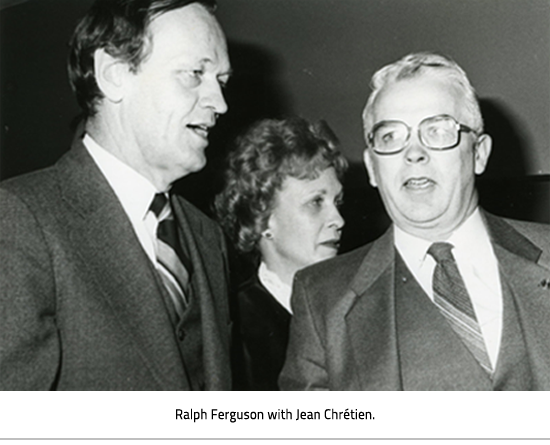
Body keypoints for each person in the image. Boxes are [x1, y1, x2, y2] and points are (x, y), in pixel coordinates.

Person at [280, 52, 550, 391]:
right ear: (373, 167)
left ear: (479, 153)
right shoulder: (323, 300)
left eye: (437, 131)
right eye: (391, 136)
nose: (414, 153)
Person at [0, 0, 233, 391]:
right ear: (113, 75)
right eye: (195, 73)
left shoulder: (208, 238)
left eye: (221, 82)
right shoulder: (20, 220)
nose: (220, 103)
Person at [215, 117, 347, 391]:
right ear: (262, 219)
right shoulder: (232, 327)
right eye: (315, 202)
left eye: (337, 202)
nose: (338, 219)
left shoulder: (354, 301)